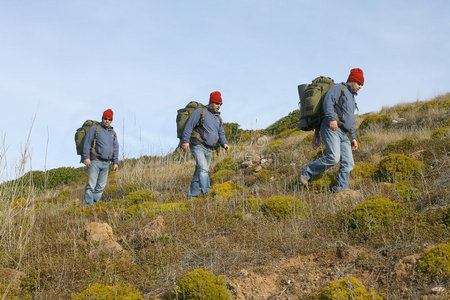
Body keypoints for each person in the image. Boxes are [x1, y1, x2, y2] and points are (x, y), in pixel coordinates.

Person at [299, 68, 364, 192]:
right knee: (334, 157)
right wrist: (331, 118)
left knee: (349, 163)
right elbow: (328, 103)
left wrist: (354, 137)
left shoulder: (352, 97)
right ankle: (305, 173)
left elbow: (349, 120)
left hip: (344, 134)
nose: (361, 86)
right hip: (331, 128)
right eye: (359, 83)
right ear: (352, 80)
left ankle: (340, 189)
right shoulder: (338, 88)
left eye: (362, 84)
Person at [181, 91, 230, 199]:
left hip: (209, 148)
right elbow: (189, 126)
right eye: (217, 103)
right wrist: (185, 141)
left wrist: (224, 143)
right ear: (211, 102)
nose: (219, 106)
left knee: (199, 171)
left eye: (220, 104)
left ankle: (192, 196)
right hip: (197, 145)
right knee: (203, 169)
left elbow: (221, 133)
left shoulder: (218, 118)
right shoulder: (200, 112)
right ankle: (207, 192)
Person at [82, 109, 119, 205]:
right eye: (105, 118)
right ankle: (88, 206)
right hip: (94, 161)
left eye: (109, 119)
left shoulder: (113, 133)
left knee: (101, 187)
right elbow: (87, 142)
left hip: (106, 163)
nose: (107, 120)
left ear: (111, 120)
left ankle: (94, 205)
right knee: (91, 185)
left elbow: (115, 148)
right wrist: (86, 157)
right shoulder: (95, 129)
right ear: (102, 118)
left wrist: (115, 162)